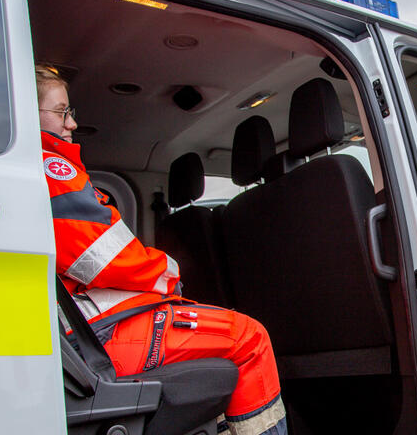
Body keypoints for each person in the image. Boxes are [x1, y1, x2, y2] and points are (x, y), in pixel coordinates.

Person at [36, 64, 286, 435]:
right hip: (94, 338)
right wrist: (167, 273)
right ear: (29, 113)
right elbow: (106, 258)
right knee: (250, 338)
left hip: (80, 332)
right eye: (61, 112)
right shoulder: (54, 169)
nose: (71, 124)